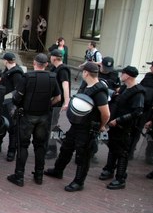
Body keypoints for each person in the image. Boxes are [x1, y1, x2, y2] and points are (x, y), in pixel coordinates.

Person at [44, 62, 110, 192]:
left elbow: (106, 113)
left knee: (83, 155)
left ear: (86, 73)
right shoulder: (86, 85)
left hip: (87, 128)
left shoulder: (99, 91)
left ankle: (79, 182)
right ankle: (58, 171)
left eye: (83, 71)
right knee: (66, 148)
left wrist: (101, 126)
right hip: (77, 125)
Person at [7, 53, 61, 187]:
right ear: (46, 64)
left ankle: (19, 176)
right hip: (44, 116)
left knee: (23, 145)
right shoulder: (52, 77)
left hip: (27, 116)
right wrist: (48, 105)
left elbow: (17, 97)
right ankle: (39, 175)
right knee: (40, 146)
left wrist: (18, 104)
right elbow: (58, 98)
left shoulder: (28, 77)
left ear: (34, 63)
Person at [99, 66, 145, 190]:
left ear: (128, 75)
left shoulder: (138, 92)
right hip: (114, 125)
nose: (121, 75)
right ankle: (109, 169)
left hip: (125, 128)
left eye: (123, 73)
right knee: (113, 147)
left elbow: (137, 112)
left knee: (122, 152)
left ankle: (120, 178)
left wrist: (118, 120)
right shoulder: (124, 88)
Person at [0, 52, 24, 161]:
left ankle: (11, 151)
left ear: (6, 61)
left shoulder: (16, 73)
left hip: (11, 104)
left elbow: (18, 90)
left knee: (12, 128)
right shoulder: (9, 71)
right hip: (4, 103)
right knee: (1, 124)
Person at [45, 50, 71, 159]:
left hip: (58, 103)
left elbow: (65, 86)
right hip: (54, 101)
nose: (50, 58)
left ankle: (53, 149)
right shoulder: (54, 69)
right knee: (52, 124)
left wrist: (66, 102)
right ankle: (64, 141)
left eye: (51, 56)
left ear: (54, 58)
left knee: (53, 125)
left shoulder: (62, 70)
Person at [138, 59, 153, 164]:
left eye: (152, 66)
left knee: (151, 134)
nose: (150, 67)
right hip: (142, 107)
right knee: (137, 129)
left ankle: (149, 156)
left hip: (152, 110)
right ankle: (130, 151)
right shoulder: (148, 76)